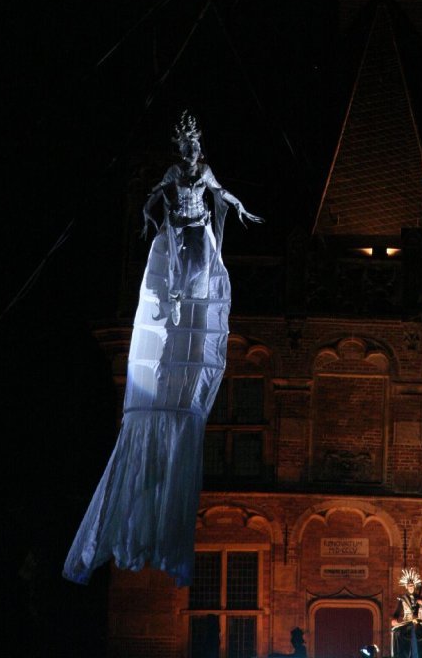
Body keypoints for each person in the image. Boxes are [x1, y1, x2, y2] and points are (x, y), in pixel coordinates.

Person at [63, 112, 262, 587]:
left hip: (196, 232)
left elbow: (221, 193)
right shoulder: (176, 174)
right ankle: (172, 301)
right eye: (187, 146)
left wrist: (238, 208)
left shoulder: (201, 171)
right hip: (178, 231)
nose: (192, 153)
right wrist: (148, 215)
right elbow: (157, 193)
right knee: (174, 286)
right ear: (182, 148)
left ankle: (179, 305)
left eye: (195, 146)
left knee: (196, 295)